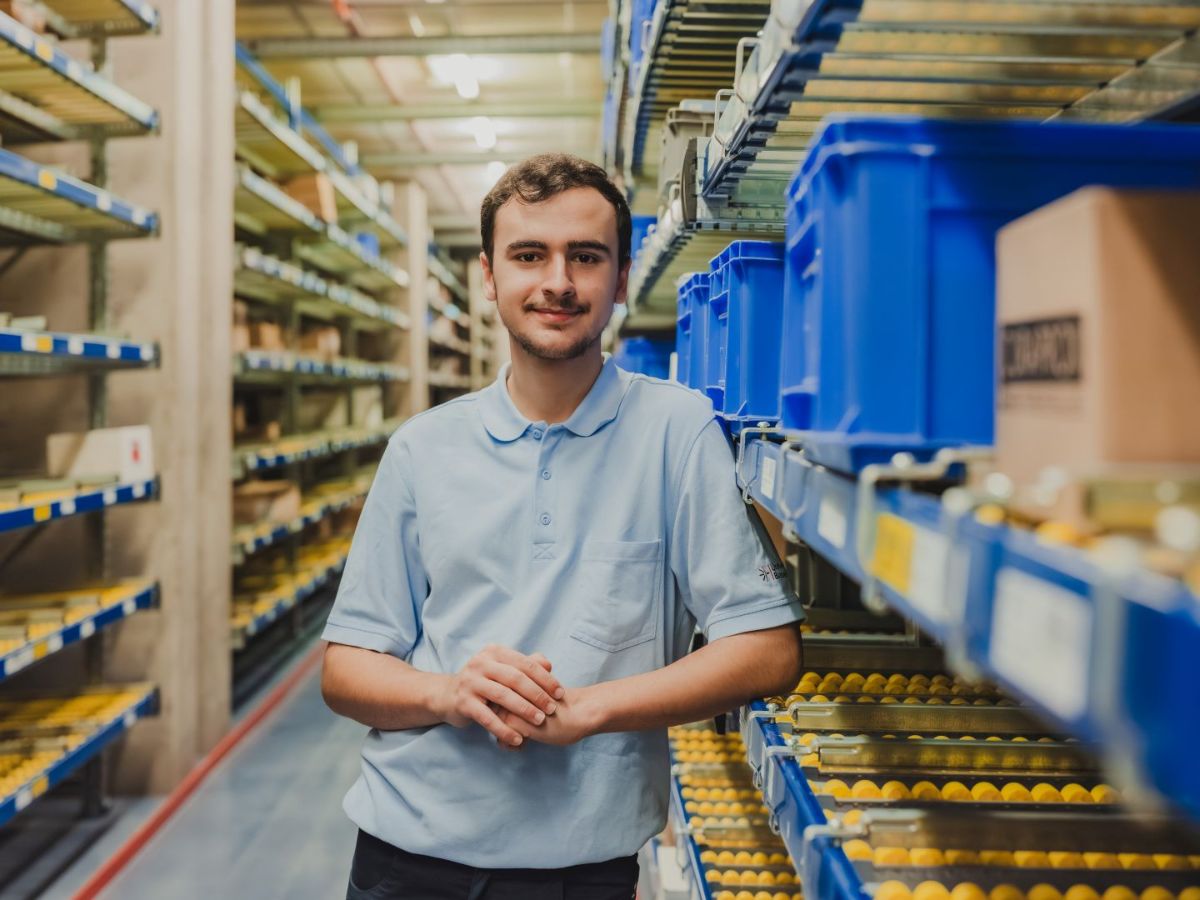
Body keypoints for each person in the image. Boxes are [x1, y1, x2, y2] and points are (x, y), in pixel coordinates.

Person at [321, 153, 805, 900]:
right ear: (489, 277)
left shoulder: (677, 432)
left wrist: (590, 708)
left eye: (585, 256)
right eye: (528, 256)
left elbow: (768, 650)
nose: (557, 281)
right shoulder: (422, 448)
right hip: (405, 855)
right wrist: (449, 693)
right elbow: (346, 670)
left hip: (581, 871)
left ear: (621, 277)